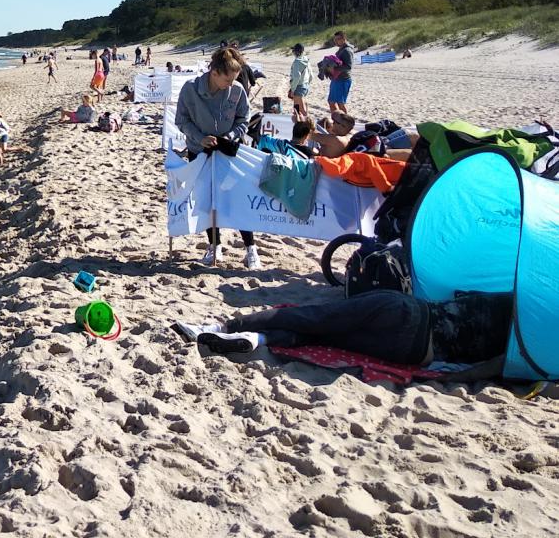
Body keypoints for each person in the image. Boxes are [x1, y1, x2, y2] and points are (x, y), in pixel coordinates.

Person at [175, 290, 514, 365]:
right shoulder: (534, 345)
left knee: (314, 318)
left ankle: (221, 325)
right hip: (413, 353)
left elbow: (458, 294)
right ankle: (256, 337)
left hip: (409, 312)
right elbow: (492, 368)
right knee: (329, 337)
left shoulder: (518, 293)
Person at [175, 48, 259, 268]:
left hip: (230, 153)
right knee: (207, 200)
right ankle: (215, 246)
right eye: (227, 79)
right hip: (199, 152)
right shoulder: (190, 89)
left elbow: (244, 120)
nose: (231, 84)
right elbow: (181, 121)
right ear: (214, 72)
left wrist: (229, 137)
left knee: (237, 199)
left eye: (234, 79)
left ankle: (251, 249)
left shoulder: (238, 90)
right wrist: (200, 138)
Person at [329, 30, 355, 113]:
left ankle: (345, 123)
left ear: (344, 39)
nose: (336, 41)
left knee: (340, 104)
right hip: (337, 79)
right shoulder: (341, 49)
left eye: (338, 39)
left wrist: (334, 68)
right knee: (331, 102)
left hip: (343, 80)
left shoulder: (347, 50)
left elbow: (349, 66)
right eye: (335, 40)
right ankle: (338, 121)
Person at [288, 43, 310, 120]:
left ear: (295, 51)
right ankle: (302, 123)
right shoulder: (306, 59)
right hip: (305, 85)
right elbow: (311, 75)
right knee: (299, 108)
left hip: (299, 87)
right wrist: (307, 83)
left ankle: (306, 125)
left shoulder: (297, 61)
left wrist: (293, 89)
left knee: (299, 109)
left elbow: (297, 76)